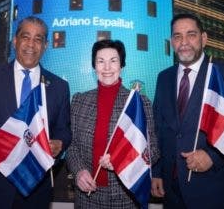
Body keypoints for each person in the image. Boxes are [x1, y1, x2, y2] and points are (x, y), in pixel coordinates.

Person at [0, 16, 71, 209]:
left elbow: (64, 129)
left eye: (38, 39)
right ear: (15, 40)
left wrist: (60, 143)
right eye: (25, 37)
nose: (31, 44)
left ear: (45, 46)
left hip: (36, 191)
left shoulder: (59, 87)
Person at [151, 13, 224, 209]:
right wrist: (157, 172)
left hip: (215, 191)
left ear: (204, 38)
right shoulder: (163, 78)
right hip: (172, 192)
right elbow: (158, 130)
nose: (184, 42)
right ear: (171, 42)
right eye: (177, 36)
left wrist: (213, 156)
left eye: (191, 34)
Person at [66, 39, 160, 208]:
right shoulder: (79, 101)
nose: (107, 68)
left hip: (125, 196)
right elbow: (71, 146)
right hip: (87, 196)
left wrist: (121, 159)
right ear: (94, 67)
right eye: (101, 61)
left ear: (122, 65)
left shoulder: (139, 104)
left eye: (113, 61)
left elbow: (153, 150)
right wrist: (79, 171)